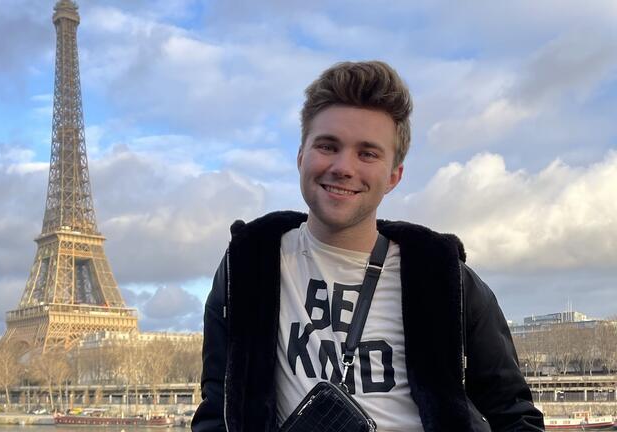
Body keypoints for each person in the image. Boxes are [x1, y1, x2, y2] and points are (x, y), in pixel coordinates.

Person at [191, 61, 544, 431]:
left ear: (394, 176)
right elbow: (218, 407)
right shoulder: (247, 268)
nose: (344, 167)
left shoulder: (446, 280)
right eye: (328, 146)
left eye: (368, 153)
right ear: (300, 157)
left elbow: (514, 414)